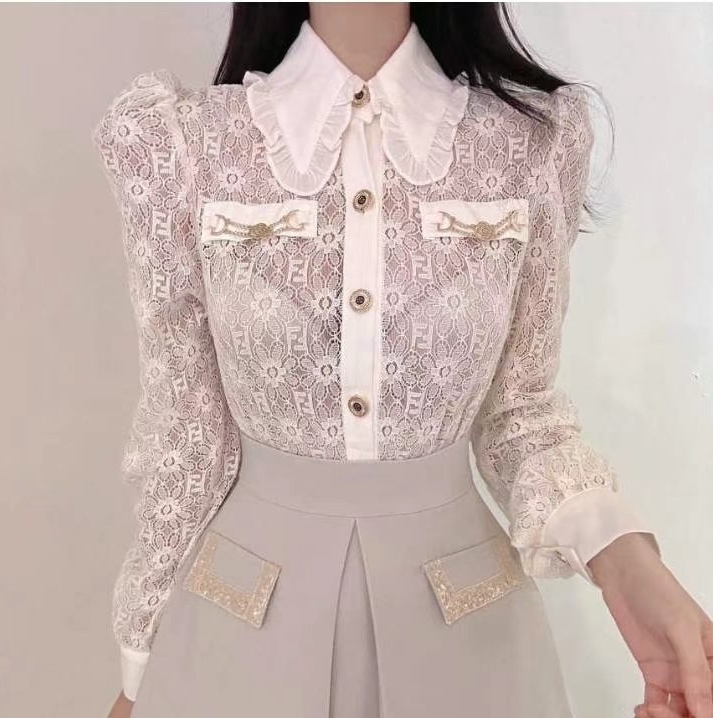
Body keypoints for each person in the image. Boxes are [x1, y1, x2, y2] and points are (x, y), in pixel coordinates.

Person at [92, 4, 713, 718]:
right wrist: (139, 671)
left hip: (468, 645)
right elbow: (186, 436)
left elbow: (519, 413)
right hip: (237, 636)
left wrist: (629, 565)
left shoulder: (528, 144)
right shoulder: (184, 144)